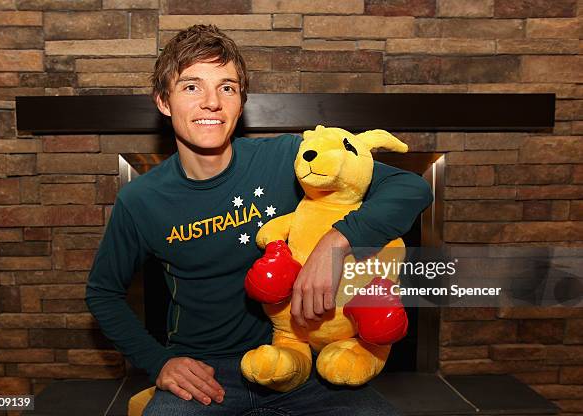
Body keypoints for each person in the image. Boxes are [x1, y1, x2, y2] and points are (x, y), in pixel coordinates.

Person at [85, 24, 433, 415]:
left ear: (240, 101)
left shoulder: (288, 158)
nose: (212, 102)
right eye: (191, 86)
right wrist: (159, 361)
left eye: (227, 87)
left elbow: (411, 188)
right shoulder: (141, 199)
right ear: (164, 101)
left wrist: (336, 242)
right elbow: (103, 292)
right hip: (206, 375)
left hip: (298, 361)